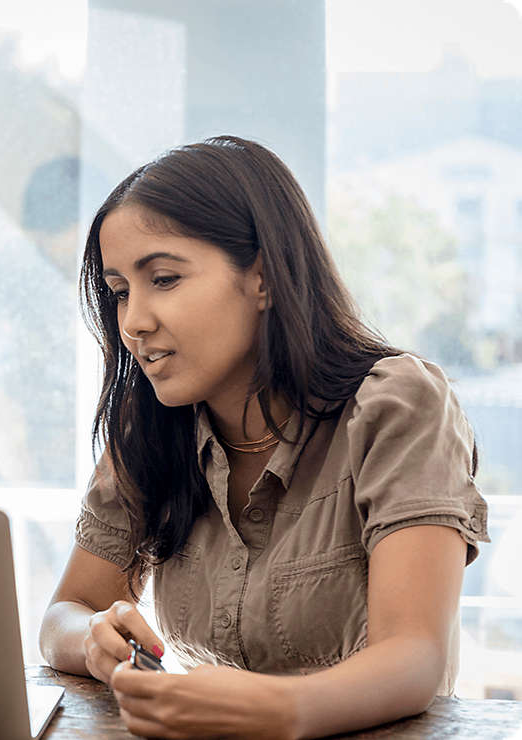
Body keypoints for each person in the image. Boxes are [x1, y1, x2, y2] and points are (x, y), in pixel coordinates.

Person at [39, 136, 488, 738]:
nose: (133, 323)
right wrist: (94, 637)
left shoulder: (398, 404)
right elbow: (64, 615)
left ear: (264, 278)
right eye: (120, 292)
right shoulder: (149, 428)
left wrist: (276, 709)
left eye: (164, 279)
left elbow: (414, 659)